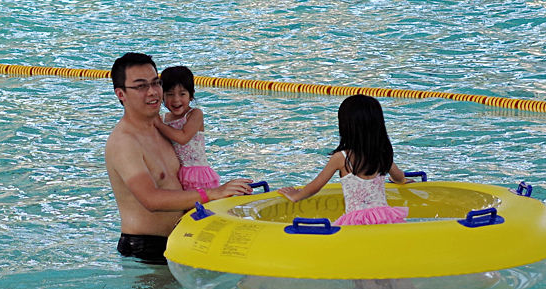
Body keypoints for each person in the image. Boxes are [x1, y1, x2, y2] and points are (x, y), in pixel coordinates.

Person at [104, 52, 250, 264]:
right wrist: (214, 192)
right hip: (145, 251)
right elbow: (151, 199)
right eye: (141, 86)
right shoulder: (125, 142)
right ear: (121, 94)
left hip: (178, 240)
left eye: (156, 83)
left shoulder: (162, 129)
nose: (153, 92)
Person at [280, 94, 407, 225]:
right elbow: (399, 177)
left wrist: (296, 196)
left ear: (346, 126)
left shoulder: (341, 157)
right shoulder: (382, 153)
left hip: (356, 222)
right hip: (383, 219)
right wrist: (398, 180)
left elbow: (316, 185)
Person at [156, 65, 222, 192]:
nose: (176, 100)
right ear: (162, 97)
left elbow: (183, 137)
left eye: (182, 94)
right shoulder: (162, 119)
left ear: (191, 95)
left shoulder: (195, 114)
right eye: (170, 94)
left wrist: (158, 125)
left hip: (196, 174)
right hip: (174, 175)